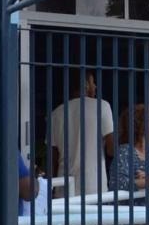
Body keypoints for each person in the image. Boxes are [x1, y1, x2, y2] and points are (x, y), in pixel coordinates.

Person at [49, 71, 116, 199]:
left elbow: (52, 159)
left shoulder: (56, 113)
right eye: (93, 82)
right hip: (94, 187)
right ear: (85, 84)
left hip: (63, 188)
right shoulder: (102, 106)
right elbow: (111, 150)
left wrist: (50, 188)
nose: (95, 86)